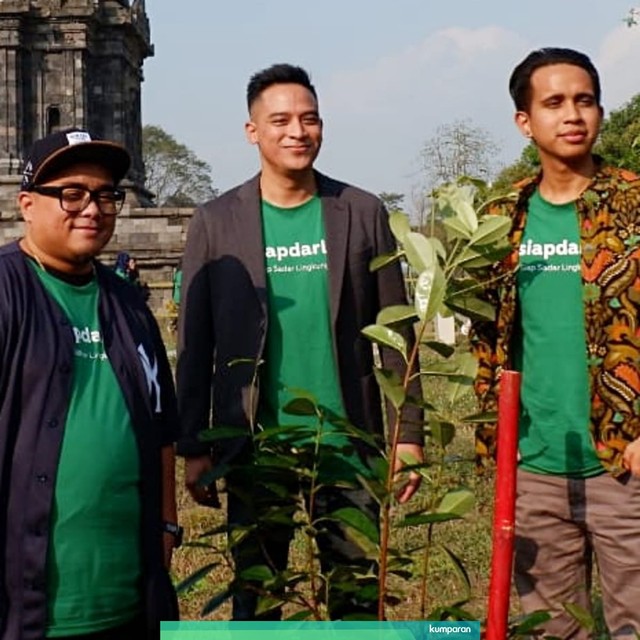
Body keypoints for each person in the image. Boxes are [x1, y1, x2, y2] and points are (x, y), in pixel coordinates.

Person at [176, 63, 424, 620]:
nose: (297, 132)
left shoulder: (360, 212)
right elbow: (196, 343)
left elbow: (396, 333)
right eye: (281, 120)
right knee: (258, 600)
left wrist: (407, 434)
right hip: (257, 449)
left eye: (309, 119)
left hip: (347, 444)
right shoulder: (217, 222)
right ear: (252, 131)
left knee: (357, 599)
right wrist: (194, 445)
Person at [471, 48, 640, 638]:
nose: (573, 114)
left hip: (625, 461)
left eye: (585, 100)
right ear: (525, 120)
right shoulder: (500, 220)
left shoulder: (634, 205)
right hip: (534, 465)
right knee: (551, 629)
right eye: (554, 103)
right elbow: (485, 338)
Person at [0, 127, 181, 639]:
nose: (93, 208)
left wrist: (167, 524)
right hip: (29, 602)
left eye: (106, 195)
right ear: (28, 204)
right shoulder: (7, 292)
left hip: (128, 595)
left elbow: (162, 426)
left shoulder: (128, 305)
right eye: (72, 194)